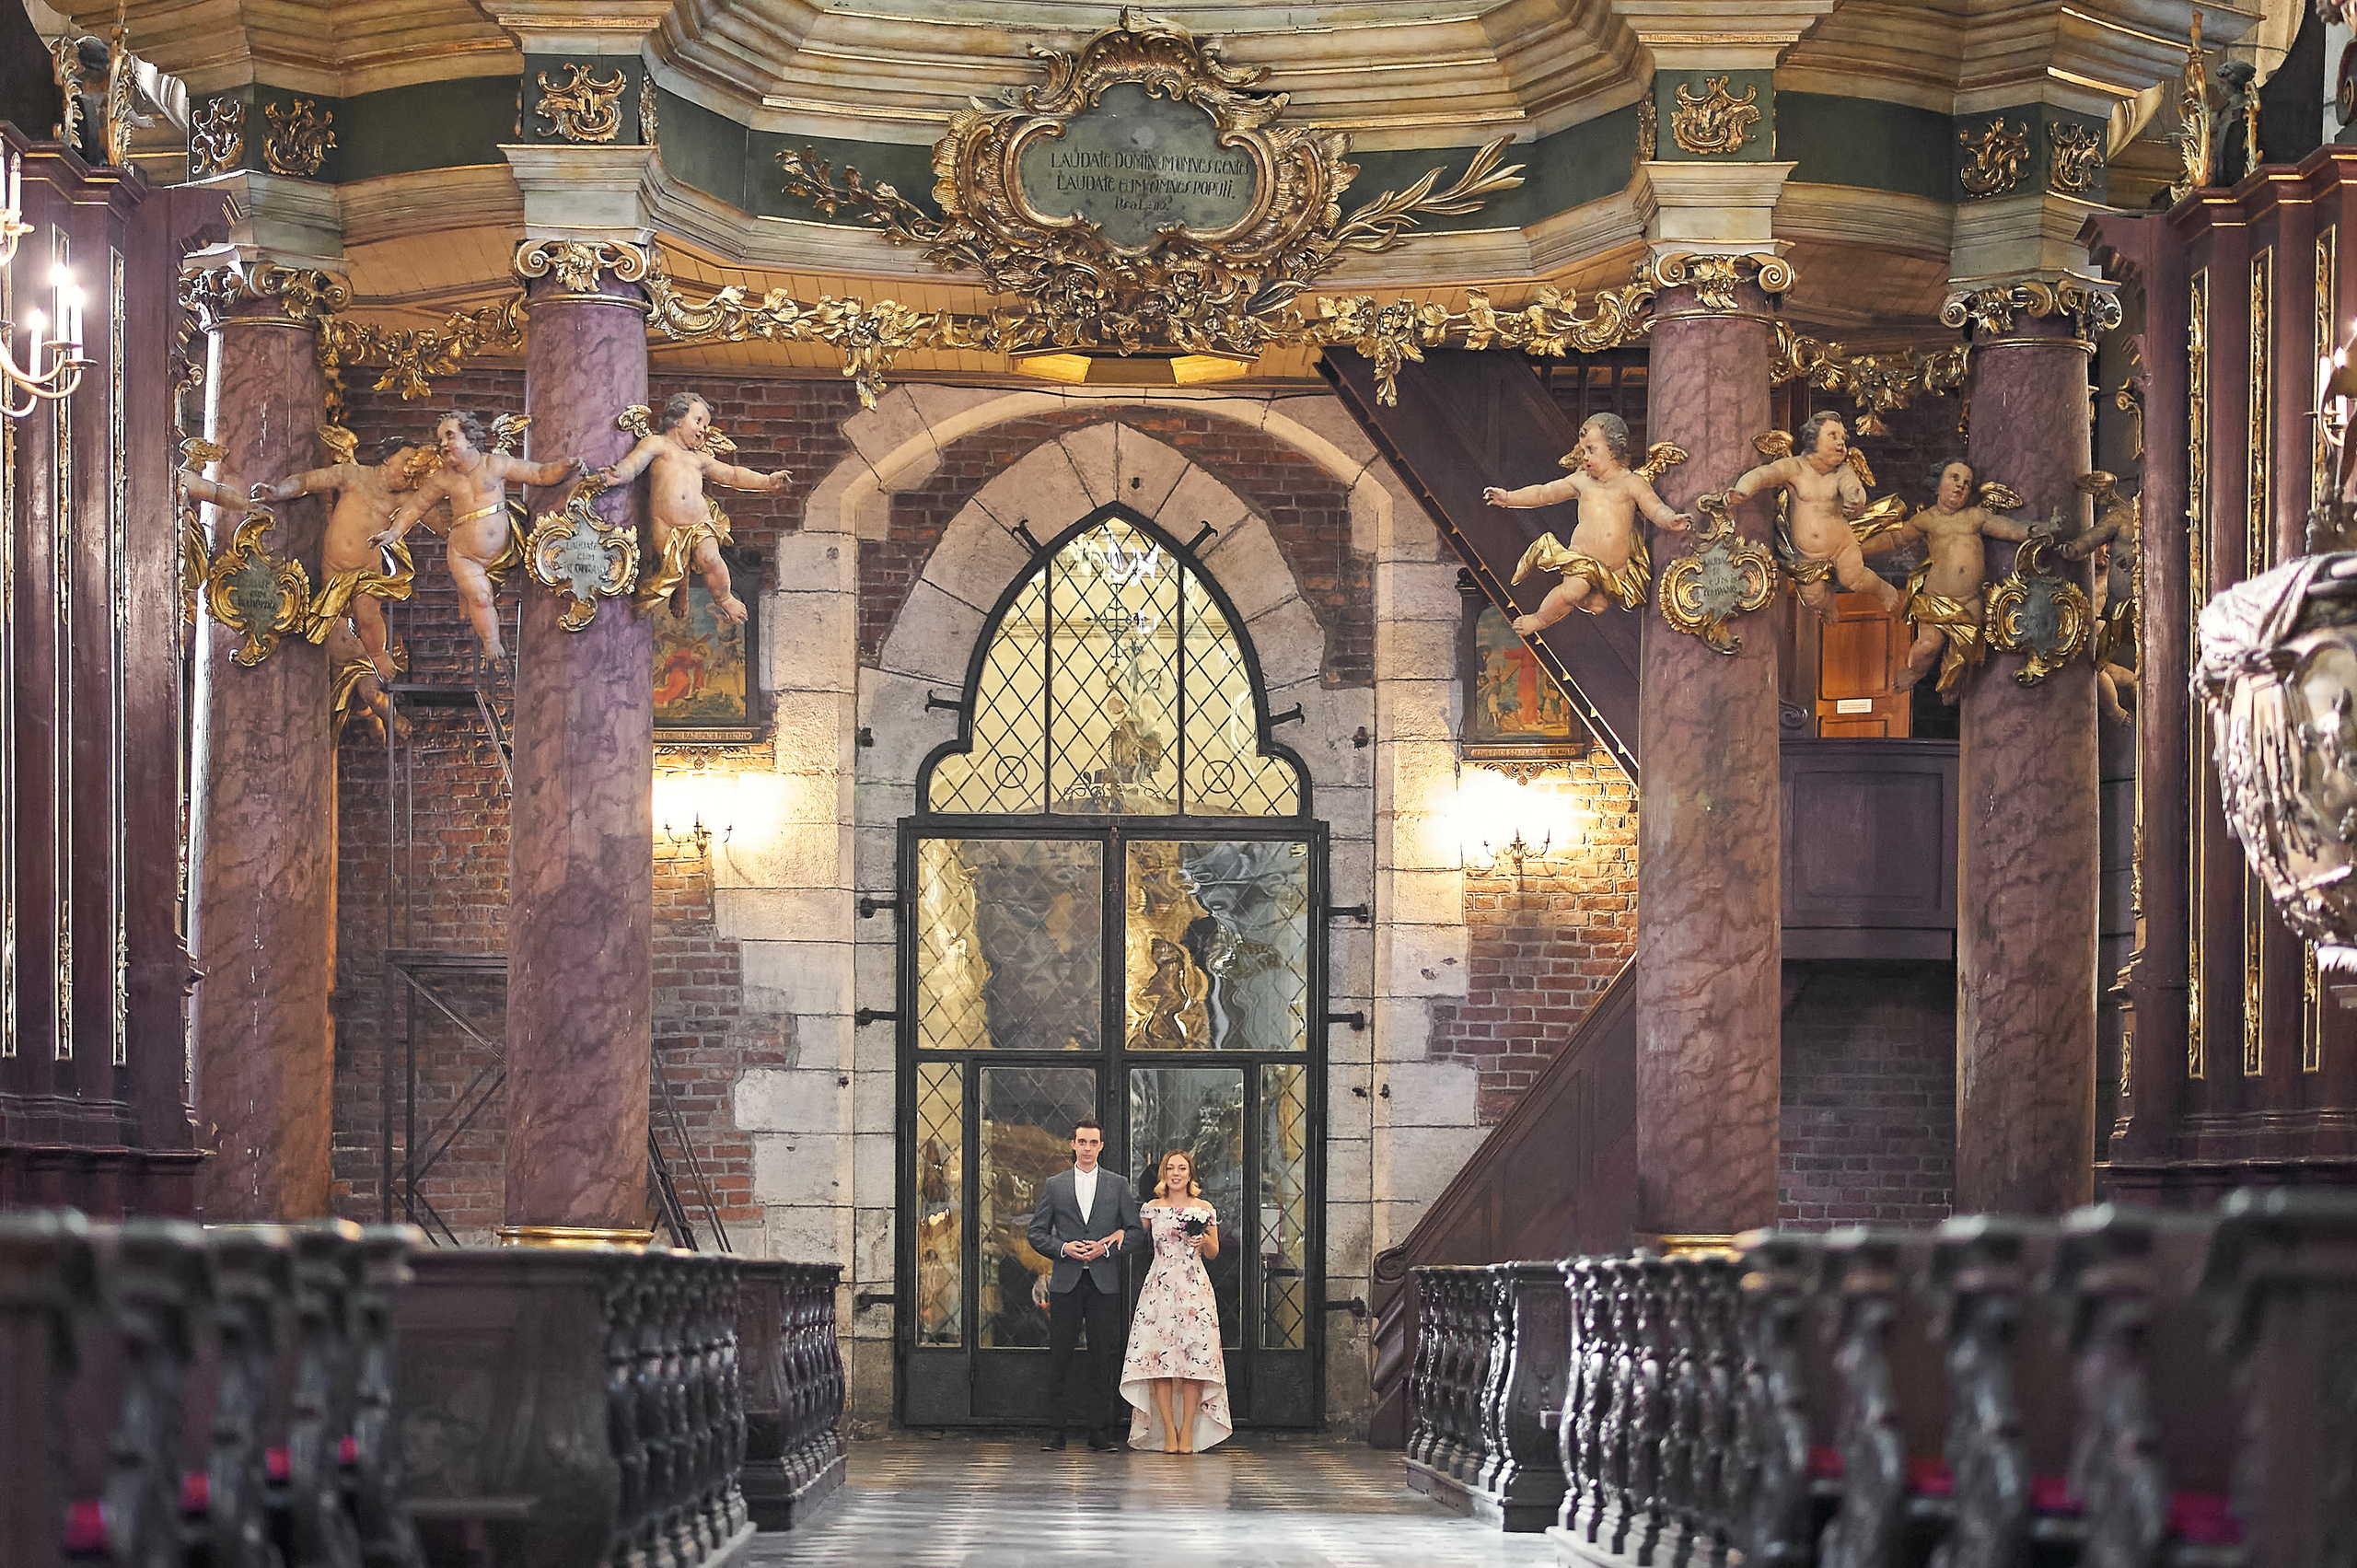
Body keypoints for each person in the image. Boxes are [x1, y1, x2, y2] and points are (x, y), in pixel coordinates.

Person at [373, 411, 585, 668]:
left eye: (449, 436)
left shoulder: (494, 465)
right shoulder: (443, 479)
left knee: (496, 594)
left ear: (471, 438)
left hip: (505, 550)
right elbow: (416, 507)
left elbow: (539, 474)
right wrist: (394, 533)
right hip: (463, 555)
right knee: (481, 597)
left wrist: (566, 466)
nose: (443, 445)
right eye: (440, 440)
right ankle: (491, 640)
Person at [1481, 412, 1689, 635]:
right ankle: (1538, 619)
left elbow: (1654, 508)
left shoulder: (1631, 483)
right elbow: (1544, 493)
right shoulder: (1582, 481)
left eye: (1591, 450)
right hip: (1582, 559)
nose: (1585, 457)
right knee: (1572, 591)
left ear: (1613, 449)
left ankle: (1566, 606)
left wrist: (1670, 520)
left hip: (1614, 571)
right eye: (1583, 451)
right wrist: (1509, 498)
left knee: (1596, 606)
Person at [598, 392, 787, 623]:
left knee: (711, 559)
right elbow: (635, 462)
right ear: (677, 417)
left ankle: (725, 598)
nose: (703, 430)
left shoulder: (699, 459)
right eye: (698, 421)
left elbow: (733, 475)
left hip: (700, 523)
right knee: (669, 566)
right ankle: (680, 588)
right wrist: (620, 474)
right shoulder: (658, 444)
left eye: (706, 426)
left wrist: (767, 482)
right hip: (666, 525)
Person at [258, 433, 422, 680]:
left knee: (368, 617)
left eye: (416, 467)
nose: (411, 470)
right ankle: (352, 621)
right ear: (388, 458)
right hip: (333, 567)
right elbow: (308, 481)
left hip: (367, 572)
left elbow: (431, 515)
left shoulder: (404, 498)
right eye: (407, 461)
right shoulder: (353, 475)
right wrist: (279, 491)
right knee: (339, 611)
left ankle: (377, 654)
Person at [1025, 1118, 1140, 1452]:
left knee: (1102, 1358)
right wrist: (1063, 1248)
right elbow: (1036, 1232)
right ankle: (1056, 1432)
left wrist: (1107, 1245)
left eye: (1093, 1143)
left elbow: (1134, 1232)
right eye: (1082, 1142)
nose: (1087, 1148)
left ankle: (1099, 1434)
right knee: (1060, 1356)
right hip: (1066, 1282)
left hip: (1104, 1282)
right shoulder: (1055, 1185)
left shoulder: (1117, 1185)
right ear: (1072, 1145)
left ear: (1101, 1146)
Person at [1723, 410, 1906, 617]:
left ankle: (1883, 589)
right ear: (1813, 439)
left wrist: (1855, 500)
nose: (1841, 443)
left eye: (1843, 439)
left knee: (1854, 579)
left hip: (1842, 545)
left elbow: (1853, 489)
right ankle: (1829, 606)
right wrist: (1743, 490)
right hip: (1806, 554)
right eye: (1832, 436)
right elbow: (1765, 475)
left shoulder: (1842, 471)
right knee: (1812, 598)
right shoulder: (1796, 468)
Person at [1120, 1149, 1233, 1454]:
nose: (1176, 1172)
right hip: (1160, 1287)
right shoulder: (1152, 1208)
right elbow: (1132, 1236)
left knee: (1193, 1361)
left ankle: (1187, 1432)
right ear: (1164, 1174)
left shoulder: (1203, 1207)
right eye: (1171, 1168)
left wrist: (1202, 1240)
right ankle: (1168, 1431)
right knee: (1161, 1361)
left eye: (1182, 1168)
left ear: (1190, 1174)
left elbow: (1213, 1252)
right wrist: (1111, 1237)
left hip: (1194, 1288)